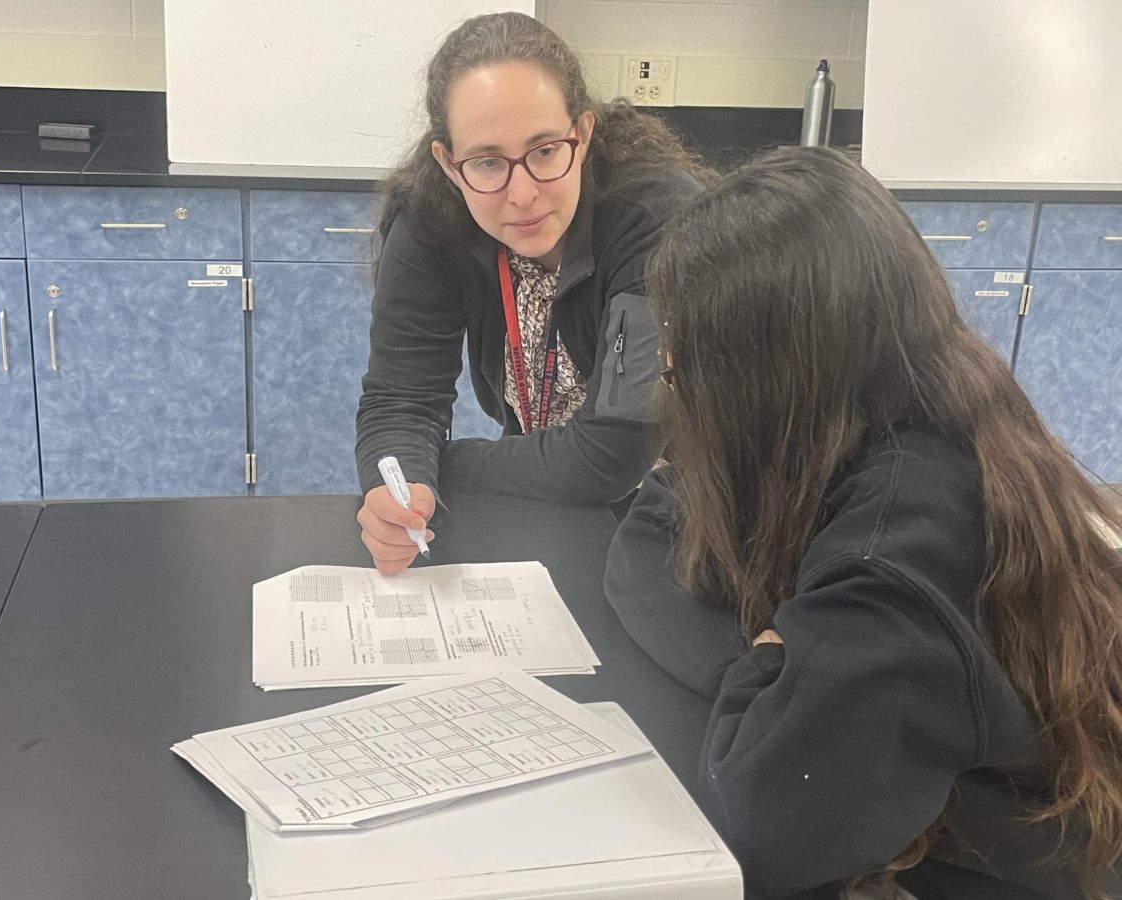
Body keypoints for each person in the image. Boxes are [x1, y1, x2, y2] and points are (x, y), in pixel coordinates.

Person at [607, 147, 1122, 899]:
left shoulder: (897, 546)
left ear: (763, 385)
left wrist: (775, 689)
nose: (673, 380)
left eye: (687, 371)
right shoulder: (885, 414)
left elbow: (769, 826)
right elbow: (646, 539)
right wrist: (771, 670)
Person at [355, 11, 714, 574]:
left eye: (545, 150)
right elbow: (401, 400)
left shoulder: (654, 223)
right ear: (449, 165)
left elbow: (610, 456)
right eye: (487, 161)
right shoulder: (431, 220)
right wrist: (397, 481)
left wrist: (444, 466)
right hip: (550, 505)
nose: (522, 194)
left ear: (584, 132)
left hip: (690, 505)